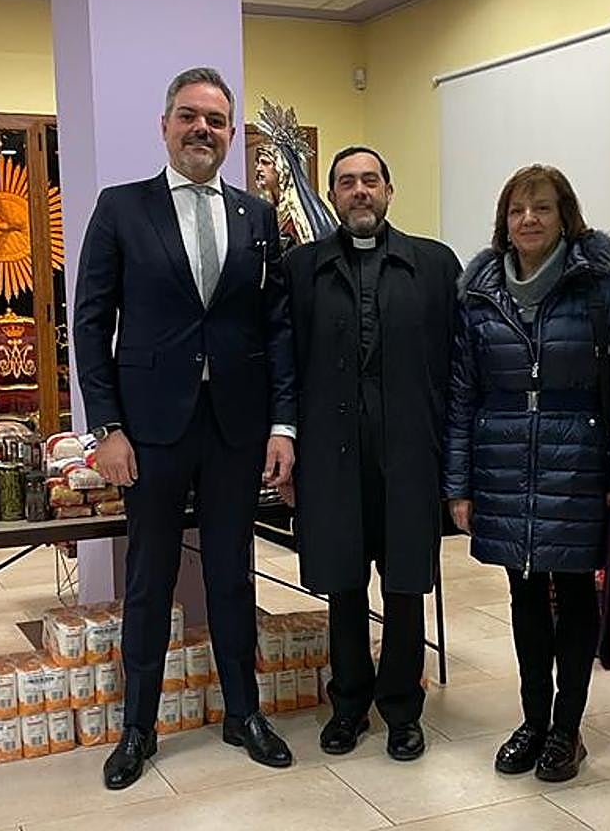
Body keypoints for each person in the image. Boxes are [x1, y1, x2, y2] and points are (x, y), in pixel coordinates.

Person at [73, 67, 297, 790]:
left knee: (234, 572)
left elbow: (276, 326)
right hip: (150, 429)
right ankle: (137, 727)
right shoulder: (121, 208)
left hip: (235, 426)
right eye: (190, 116)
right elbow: (89, 323)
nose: (203, 129)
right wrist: (106, 428)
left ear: (231, 134)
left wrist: (282, 426)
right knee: (150, 578)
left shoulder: (256, 217)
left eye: (217, 120)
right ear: (165, 126)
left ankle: (243, 713)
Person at [444, 164, 610, 783]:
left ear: (565, 217)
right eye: (517, 210)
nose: (528, 220)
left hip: (578, 463)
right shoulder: (479, 295)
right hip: (503, 462)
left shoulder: (604, 291)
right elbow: (462, 394)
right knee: (525, 595)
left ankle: (567, 728)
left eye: (541, 208)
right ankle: (533, 721)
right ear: (503, 222)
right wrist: (459, 485)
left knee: (576, 594)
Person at [279, 146, 460, 761]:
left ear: (389, 190)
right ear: (332, 196)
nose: (360, 191)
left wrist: (453, 460)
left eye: (370, 180)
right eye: (347, 182)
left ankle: (403, 708)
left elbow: (456, 366)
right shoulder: (301, 269)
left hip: (409, 453)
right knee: (344, 582)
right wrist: (286, 444)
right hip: (331, 455)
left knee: (406, 585)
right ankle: (349, 704)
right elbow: (285, 364)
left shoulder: (433, 265)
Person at [252, 98, 336, 254]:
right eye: (257, 163)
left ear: (282, 169)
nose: (258, 168)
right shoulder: (268, 209)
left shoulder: (298, 215)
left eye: (265, 163)